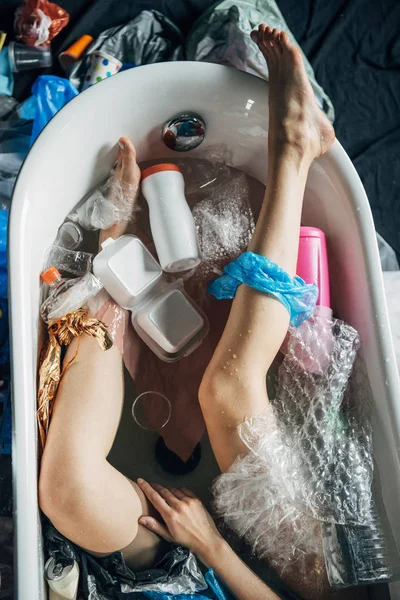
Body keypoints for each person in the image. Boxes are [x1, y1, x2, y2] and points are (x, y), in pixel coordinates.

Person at [39, 24, 334, 600]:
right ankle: (294, 150)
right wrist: (216, 546)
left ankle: (112, 256)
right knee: (226, 392)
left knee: (69, 491)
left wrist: (206, 548)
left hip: (167, 576)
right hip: (284, 585)